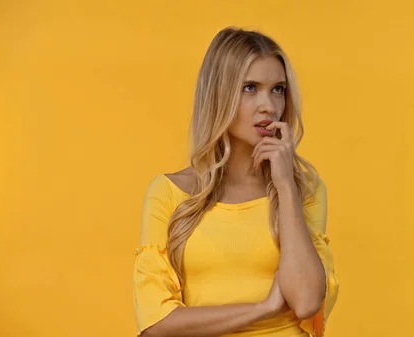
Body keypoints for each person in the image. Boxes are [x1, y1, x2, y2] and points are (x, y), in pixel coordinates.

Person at [132, 26, 339, 337]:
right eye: (250, 88)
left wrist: (284, 186)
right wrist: (263, 308)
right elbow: (156, 324)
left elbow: (307, 300)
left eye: (278, 89)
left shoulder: (304, 190)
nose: (268, 105)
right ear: (219, 94)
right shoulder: (170, 193)